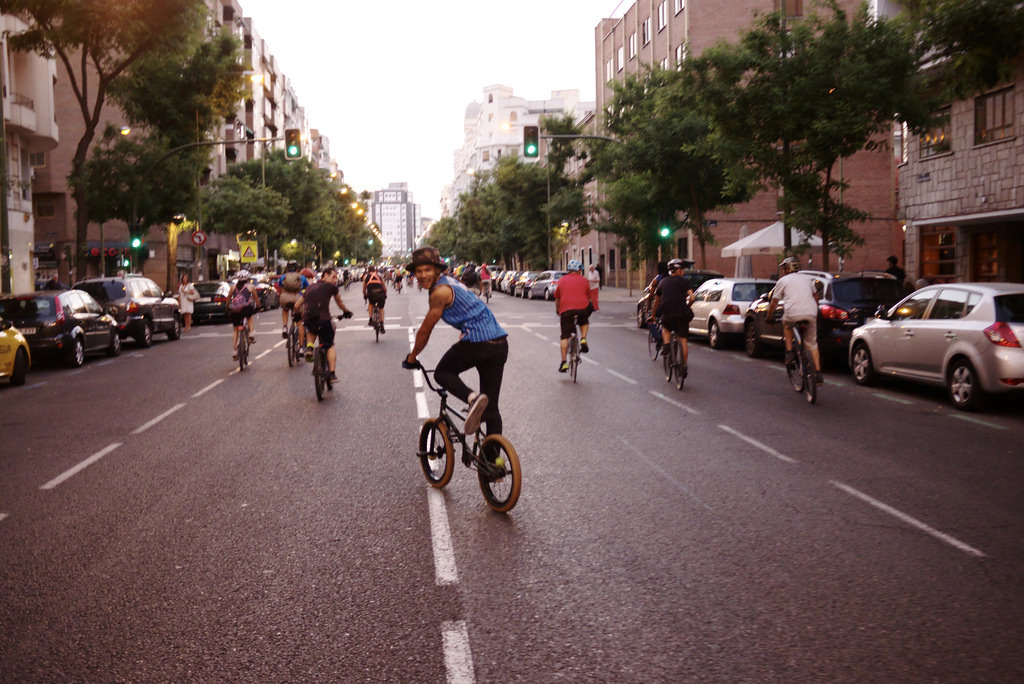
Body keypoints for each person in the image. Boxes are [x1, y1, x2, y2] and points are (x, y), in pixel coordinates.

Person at [404, 246, 508, 436]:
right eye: (419, 271)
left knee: (442, 373)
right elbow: (471, 307)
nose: (423, 275)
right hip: (499, 343)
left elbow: (425, 330)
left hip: (479, 342)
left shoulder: (439, 292)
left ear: (437, 270)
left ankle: (472, 398)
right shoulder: (451, 282)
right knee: (492, 410)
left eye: (427, 270)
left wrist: (412, 357)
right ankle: (494, 454)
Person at [766, 256, 822, 384]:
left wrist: (769, 317)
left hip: (792, 313)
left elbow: (774, 302)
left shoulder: (783, 281)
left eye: (783, 268)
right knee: (812, 343)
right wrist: (816, 309)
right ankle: (818, 373)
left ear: (786, 269)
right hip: (811, 312)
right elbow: (815, 296)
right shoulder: (807, 279)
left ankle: (789, 352)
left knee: (787, 325)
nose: (783, 271)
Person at [295, 266, 354, 381]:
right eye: (333, 277)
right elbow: (339, 303)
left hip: (309, 319)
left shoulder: (309, 288)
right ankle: (332, 374)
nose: (335, 280)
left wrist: (297, 315)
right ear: (325, 275)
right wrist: (346, 311)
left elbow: (297, 305)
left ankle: (310, 347)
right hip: (324, 320)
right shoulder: (331, 287)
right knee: (330, 345)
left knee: (311, 329)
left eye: (336, 278)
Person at [652, 258, 695, 378]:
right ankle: (684, 367)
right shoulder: (684, 282)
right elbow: (692, 298)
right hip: (681, 315)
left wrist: (653, 315)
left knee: (665, 328)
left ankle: (666, 345)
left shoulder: (663, 282)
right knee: (683, 340)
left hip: (668, 314)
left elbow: (657, 301)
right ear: (678, 270)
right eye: (682, 270)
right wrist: (687, 306)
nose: (684, 272)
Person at [553, 260, 594, 373]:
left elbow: (557, 298)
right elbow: (590, 298)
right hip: (582, 309)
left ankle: (563, 363)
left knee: (564, 336)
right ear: (579, 270)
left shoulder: (561, 280)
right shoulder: (584, 280)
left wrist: (558, 310)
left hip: (566, 311)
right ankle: (583, 338)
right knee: (584, 321)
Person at [228, 270, 259, 360]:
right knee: (249, 317)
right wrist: (259, 306)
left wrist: (227, 308)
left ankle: (235, 350)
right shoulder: (250, 287)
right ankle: (251, 333)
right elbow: (256, 298)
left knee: (235, 330)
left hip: (235, 310)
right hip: (246, 308)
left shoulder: (233, 287)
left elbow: (228, 299)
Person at [276, 261, 309, 340]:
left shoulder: (283, 277)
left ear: (287, 268)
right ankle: (301, 345)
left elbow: (280, 290)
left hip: (285, 299)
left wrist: (282, 297)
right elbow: (308, 290)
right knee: (299, 322)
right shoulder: (302, 277)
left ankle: (285, 326)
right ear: (297, 269)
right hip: (298, 299)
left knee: (285, 309)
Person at [362, 265, 387, 333]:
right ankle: (382, 324)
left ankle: (370, 319)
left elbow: (364, 289)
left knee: (371, 304)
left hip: (371, 294)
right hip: (380, 293)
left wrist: (365, 296)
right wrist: (385, 295)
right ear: (375, 270)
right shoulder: (379, 276)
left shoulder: (365, 277)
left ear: (368, 271)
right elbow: (384, 287)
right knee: (381, 308)